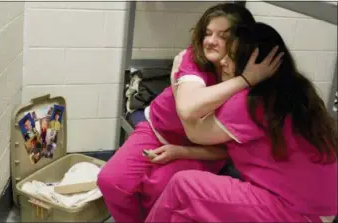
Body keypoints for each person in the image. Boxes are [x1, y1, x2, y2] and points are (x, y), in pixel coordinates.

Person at [98, 3, 284, 222]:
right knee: (111, 180)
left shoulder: (249, 88)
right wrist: (243, 81)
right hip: (157, 130)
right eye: (207, 33)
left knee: (158, 189)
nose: (211, 41)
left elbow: (228, 150)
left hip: (201, 149)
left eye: (223, 36)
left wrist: (180, 151)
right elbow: (188, 110)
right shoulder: (193, 58)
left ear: (241, 40)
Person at [145, 22, 338, 223]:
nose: (224, 61)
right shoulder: (296, 89)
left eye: (232, 56)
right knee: (185, 212)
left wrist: (177, 80)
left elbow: (193, 129)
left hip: (297, 212)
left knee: (183, 185)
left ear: (254, 63)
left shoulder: (250, 102)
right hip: (323, 206)